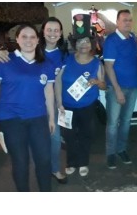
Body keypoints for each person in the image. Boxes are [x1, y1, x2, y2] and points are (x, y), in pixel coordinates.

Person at [0, 17, 69, 184]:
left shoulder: (53, 59)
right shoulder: (6, 59)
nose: (28, 40)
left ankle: (50, 180)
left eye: (32, 37)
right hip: (12, 117)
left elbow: (52, 87)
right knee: (21, 162)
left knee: (46, 154)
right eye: (24, 37)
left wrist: (55, 111)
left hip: (39, 114)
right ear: (18, 39)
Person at [55, 14, 106, 177]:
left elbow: (105, 86)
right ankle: (71, 162)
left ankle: (83, 162)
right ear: (74, 44)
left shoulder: (97, 62)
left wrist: (98, 82)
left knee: (85, 135)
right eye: (79, 42)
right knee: (69, 136)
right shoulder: (66, 59)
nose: (83, 44)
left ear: (91, 44)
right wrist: (59, 103)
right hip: (67, 106)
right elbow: (58, 82)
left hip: (87, 106)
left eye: (86, 41)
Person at [103, 9, 137, 169]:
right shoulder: (111, 40)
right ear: (117, 22)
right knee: (112, 123)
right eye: (124, 20)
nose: (128, 22)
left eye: (130, 20)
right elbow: (108, 66)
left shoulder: (132, 38)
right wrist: (117, 90)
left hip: (132, 87)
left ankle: (121, 149)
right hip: (116, 88)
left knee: (126, 121)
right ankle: (111, 153)